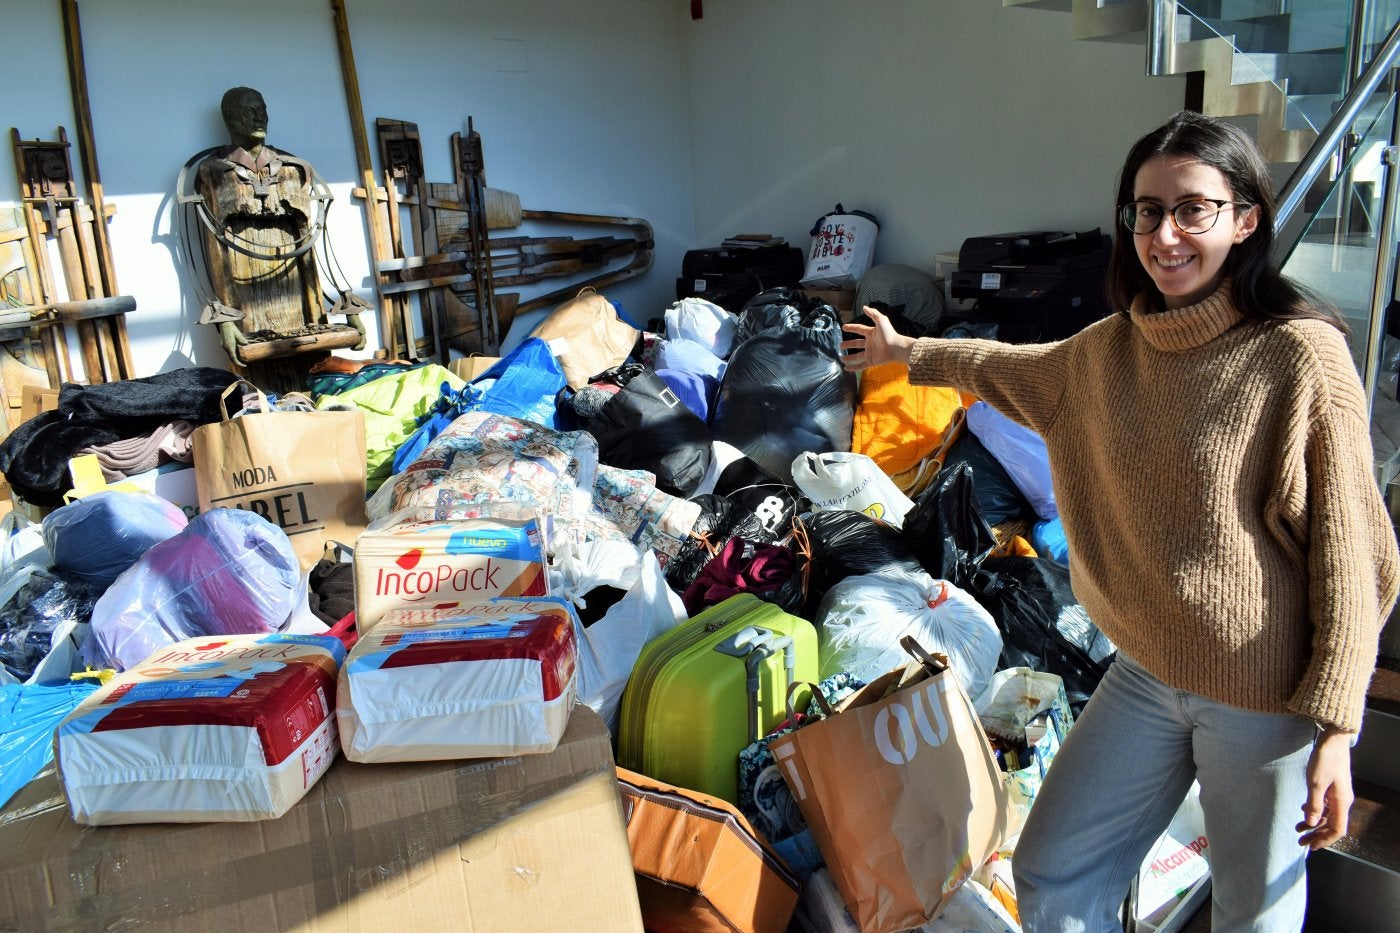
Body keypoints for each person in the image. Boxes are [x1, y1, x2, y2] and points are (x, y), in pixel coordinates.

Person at [840, 110, 1399, 931]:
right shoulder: (1108, 350)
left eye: (1192, 209)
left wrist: (1337, 728)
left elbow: (1349, 558)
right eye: (1145, 210)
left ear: (1246, 221)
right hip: (1144, 669)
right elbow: (1006, 368)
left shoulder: (1299, 356)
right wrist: (907, 352)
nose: (1163, 233)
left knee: (1253, 911)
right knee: (1053, 866)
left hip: (1260, 690)